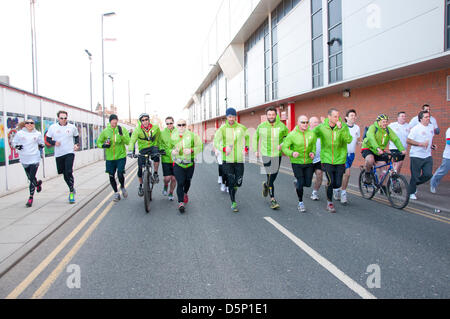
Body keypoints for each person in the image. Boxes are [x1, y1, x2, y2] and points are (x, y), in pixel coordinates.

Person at [313, 108, 352, 213]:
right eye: (335, 116)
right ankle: (329, 203)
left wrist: (341, 129)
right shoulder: (322, 127)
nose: (337, 118)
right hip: (327, 158)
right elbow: (311, 135)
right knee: (330, 181)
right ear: (329, 117)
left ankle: (332, 189)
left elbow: (349, 139)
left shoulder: (343, 126)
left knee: (337, 184)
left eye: (338, 116)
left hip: (340, 159)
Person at [213, 107, 249, 212]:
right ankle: (233, 202)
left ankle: (234, 188)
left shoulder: (242, 127)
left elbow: (247, 137)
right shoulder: (222, 129)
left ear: (235, 117)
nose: (231, 118)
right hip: (227, 160)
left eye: (233, 116)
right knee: (231, 181)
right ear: (226, 117)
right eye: (229, 116)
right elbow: (216, 142)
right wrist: (224, 148)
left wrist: (246, 148)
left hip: (239, 159)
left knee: (238, 182)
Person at [253, 106, 289, 209]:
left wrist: (282, 143)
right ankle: (272, 199)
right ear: (266, 115)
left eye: (273, 114)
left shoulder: (281, 126)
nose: (271, 116)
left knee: (273, 176)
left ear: (276, 115)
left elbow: (287, 137)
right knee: (270, 174)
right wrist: (256, 150)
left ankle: (266, 185)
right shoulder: (261, 126)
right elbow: (255, 138)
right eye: (269, 115)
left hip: (277, 154)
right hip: (266, 154)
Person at [282, 115, 316, 212]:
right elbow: (285, 147)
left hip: (308, 161)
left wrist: (312, 152)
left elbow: (313, 145)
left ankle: (297, 183)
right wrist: (292, 153)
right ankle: (300, 202)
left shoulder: (311, 133)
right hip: (297, 162)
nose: (305, 124)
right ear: (298, 123)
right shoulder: (292, 134)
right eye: (303, 122)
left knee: (308, 183)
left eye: (306, 122)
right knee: (301, 183)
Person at [361, 114, 406, 186]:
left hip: (379, 151)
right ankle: (367, 174)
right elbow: (371, 138)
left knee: (384, 170)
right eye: (383, 122)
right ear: (378, 122)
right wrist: (377, 148)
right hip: (369, 148)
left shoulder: (387, 129)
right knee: (370, 159)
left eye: (386, 122)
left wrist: (402, 149)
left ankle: (383, 186)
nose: (385, 123)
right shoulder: (373, 128)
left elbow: (395, 139)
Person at [45, 110, 80, 204]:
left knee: (69, 171)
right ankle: (71, 187)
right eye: (61, 118)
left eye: (65, 118)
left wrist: (76, 144)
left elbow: (76, 136)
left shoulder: (72, 127)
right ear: (58, 118)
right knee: (63, 173)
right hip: (59, 154)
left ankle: (71, 192)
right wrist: (54, 142)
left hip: (69, 152)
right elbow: (47, 138)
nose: (63, 120)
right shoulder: (53, 127)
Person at [171, 119, 203, 213]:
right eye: (179, 125)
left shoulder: (193, 136)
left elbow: (200, 146)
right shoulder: (173, 137)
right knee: (180, 182)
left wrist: (191, 150)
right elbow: (168, 148)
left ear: (186, 125)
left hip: (189, 164)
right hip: (178, 164)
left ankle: (185, 193)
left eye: (183, 125)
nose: (181, 127)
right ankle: (181, 202)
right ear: (177, 126)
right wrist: (171, 151)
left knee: (187, 181)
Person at [97, 114, 130, 202]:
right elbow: (98, 142)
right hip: (110, 158)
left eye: (116, 120)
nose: (114, 122)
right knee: (111, 175)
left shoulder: (122, 129)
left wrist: (122, 135)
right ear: (110, 121)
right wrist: (103, 145)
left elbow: (128, 142)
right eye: (113, 120)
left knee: (120, 173)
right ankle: (116, 193)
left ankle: (122, 187)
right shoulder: (105, 131)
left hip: (121, 156)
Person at [12, 119, 45, 207]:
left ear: (33, 124)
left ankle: (30, 198)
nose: (30, 124)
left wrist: (41, 146)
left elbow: (41, 143)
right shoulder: (20, 133)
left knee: (31, 177)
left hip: (34, 158)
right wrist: (17, 146)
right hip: (24, 159)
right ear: (25, 125)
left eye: (32, 123)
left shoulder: (37, 134)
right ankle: (37, 184)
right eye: (28, 123)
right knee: (30, 177)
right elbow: (14, 142)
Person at [128, 113, 161, 197]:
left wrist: (159, 148)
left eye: (146, 119)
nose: (145, 121)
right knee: (139, 169)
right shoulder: (137, 130)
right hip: (143, 149)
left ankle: (156, 173)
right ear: (141, 122)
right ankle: (141, 186)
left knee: (156, 156)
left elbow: (159, 138)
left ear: (149, 120)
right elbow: (132, 141)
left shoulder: (155, 128)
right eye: (143, 120)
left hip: (153, 147)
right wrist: (131, 151)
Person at [334, 109, 360, 205]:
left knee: (342, 173)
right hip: (342, 153)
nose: (353, 117)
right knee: (347, 173)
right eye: (351, 115)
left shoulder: (357, 128)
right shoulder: (342, 127)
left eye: (354, 115)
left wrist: (360, 143)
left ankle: (336, 188)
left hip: (351, 154)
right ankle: (343, 193)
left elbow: (357, 139)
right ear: (346, 118)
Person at [407, 110, 435, 200]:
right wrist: (420, 144)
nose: (428, 118)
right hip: (416, 156)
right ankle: (411, 192)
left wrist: (432, 146)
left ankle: (413, 185)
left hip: (427, 155)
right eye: (426, 117)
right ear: (421, 119)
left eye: (429, 117)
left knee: (428, 174)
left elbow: (429, 140)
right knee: (415, 175)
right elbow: (408, 140)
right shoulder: (416, 128)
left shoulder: (431, 127)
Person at [160, 116, 177, 201]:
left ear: (173, 123)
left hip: (176, 159)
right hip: (166, 158)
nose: (169, 125)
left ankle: (171, 192)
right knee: (167, 178)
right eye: (167, 123)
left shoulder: (178, 132)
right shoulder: (162, 133)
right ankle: (166, 185)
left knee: (174, 178)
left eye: (170, 123)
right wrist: (167, 151)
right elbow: (160, 144)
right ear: (165, 124)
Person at [430, 127, 450, 194]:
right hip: (448, 156)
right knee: (442, 171)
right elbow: (448, 141)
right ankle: (433, 184)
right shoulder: (449, 130)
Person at [309, 116, 323, 201]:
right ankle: (299, 182)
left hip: (318, 159)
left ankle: (315, 192)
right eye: (315, 122)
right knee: (307, 180)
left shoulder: (321, 133)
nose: (317, 124)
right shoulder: (306, 133)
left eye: (318, 122)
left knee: (319, 175)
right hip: (308, 160)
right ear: (310, 124)